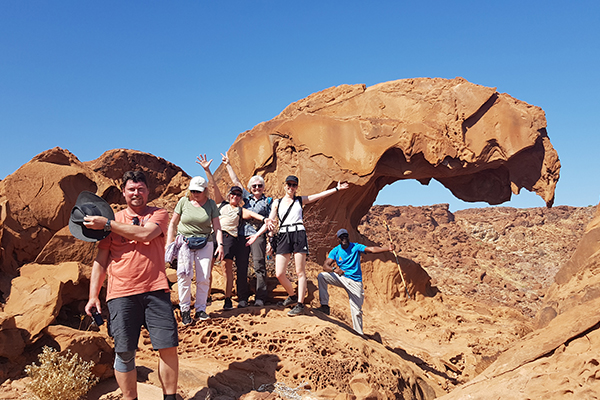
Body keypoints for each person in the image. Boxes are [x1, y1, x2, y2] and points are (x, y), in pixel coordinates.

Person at [84, 171, 179, 400]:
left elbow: (146, 234)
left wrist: (107, 224)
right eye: (131, 189)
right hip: (121, 294)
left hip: (155, 289)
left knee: (167, 348)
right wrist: (93, 296)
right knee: (125, 352)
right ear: (124, 192)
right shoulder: (113, 219)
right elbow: (101, 261)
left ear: (147, 191)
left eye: (141, 189)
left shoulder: (159, 214)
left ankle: (170, 397)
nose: (136, 193)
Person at [268, 175, 348, 317]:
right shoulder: (277, 202)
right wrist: (269, 240)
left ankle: (300, 304)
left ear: (297, 187)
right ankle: (292, 296)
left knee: (300, 272)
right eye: (289, 184)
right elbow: (270, 221)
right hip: (283, 234)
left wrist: (336, 189)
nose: (291, 187)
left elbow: (318, 196)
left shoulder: (300, 200)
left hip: (298, 233)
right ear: (284, 185)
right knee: (279, 273)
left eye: (294, 185)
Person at [166, 157, 224, 326]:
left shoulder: (211, 204)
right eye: (193, 191)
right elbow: (173, 223)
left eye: (198, 191)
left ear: (204, 190)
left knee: (204, 276)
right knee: (184, 275)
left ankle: (200, 309)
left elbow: (217, 227)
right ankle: (185, 310)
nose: (196, 194)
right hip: (184, 243)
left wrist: (220, 244)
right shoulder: (184, 202)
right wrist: (170, 244)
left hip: (205, 242)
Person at [316, 228, 394, 335]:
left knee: (356, 310)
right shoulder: (336, 250)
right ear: (338, 239)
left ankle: (359, 333)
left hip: (355, 281)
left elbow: (371, 249)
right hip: (341, 277)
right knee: (322, 276)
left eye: (345, 236)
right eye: (341, 237)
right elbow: (325, 265)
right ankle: (324, 306)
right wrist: (334, 269)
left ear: (348, 237)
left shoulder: (355, 247)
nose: (344, 239)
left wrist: (387, 249)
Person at [221, 152, 273, 306]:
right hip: (243, 235)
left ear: (263, 187)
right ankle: (242, 298)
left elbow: (269, 221)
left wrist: (270, 240)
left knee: (259, 265)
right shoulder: (246, 197)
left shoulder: (268, 201)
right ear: (250, 188)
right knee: (241, 266)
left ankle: (260, 297)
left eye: (259, 186)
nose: (257, 188)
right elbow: (236, 182)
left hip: (258, 235)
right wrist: (228, 164)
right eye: (254, 186)